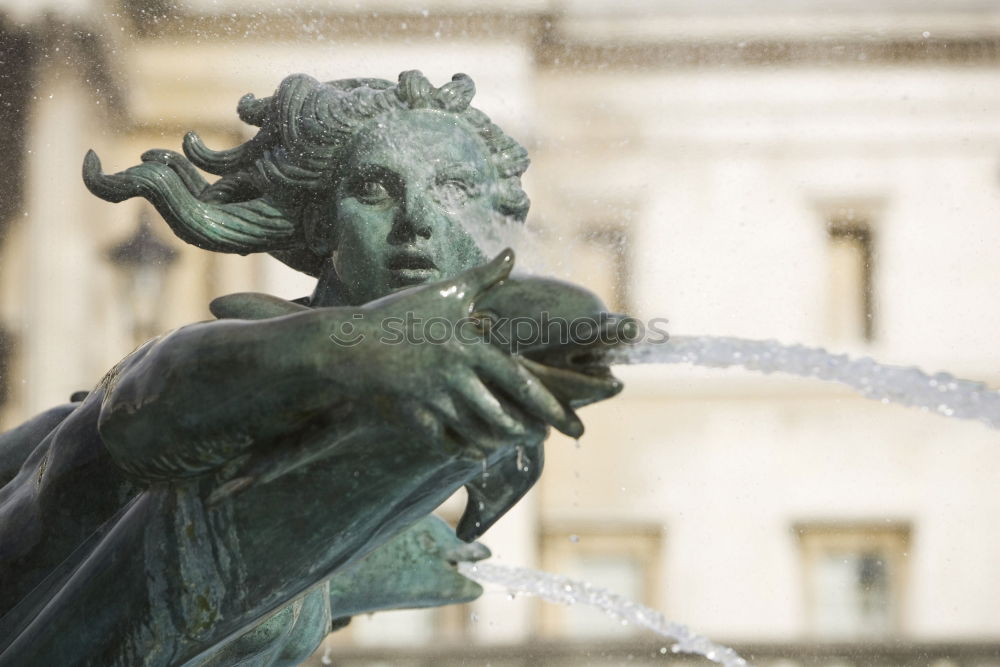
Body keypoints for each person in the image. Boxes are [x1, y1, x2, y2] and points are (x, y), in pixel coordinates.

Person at [0, 71, 624, 665]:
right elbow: (141, 409)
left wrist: (357, 563)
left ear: (492, 225)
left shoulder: (396, 409)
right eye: (376, 189)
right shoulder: (237, 362)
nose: (419, 223)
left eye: (453, 191)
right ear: (324, 224)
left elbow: (566, 317)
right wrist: (356, 351)